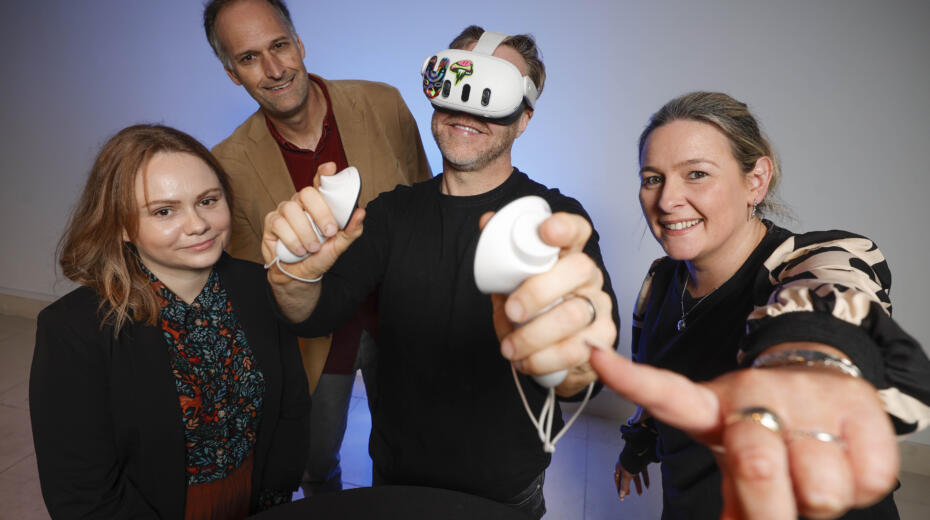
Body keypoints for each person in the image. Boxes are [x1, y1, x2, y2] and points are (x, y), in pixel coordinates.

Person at [261, 26, 619, 519]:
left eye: (492, 94)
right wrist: (292, 280)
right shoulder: (389, 214)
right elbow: (314, 315)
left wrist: (576, 359)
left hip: (503, 491)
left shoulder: (555, 221)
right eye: (458, 82)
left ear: (524, 118)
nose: (469, 107)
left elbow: (587, 369)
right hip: (395, 475)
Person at [588, 92, 930, 519]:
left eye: (696, 174)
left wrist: (811, 365)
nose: (667, 199)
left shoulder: (815, 259)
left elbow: (832, 300)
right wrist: (636, 449)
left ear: (756, 180)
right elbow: (660, 380)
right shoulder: (660, 280)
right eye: (653, 178)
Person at [202, 0, 432, 495]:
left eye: (280, 46)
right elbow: (255, 281)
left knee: (410, 447)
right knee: (313, 459)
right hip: (315, 341)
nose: (273, 69)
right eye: (249, 58)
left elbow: (423, 202)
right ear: (231, 73)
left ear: (299, 44)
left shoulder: (384, 104)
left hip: (401, 319)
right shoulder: (227, 165)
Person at [29, 125, 311, 519]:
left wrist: (274, 497)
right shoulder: (72, 331)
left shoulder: (260, 285)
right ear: (123, 226)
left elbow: (291, 409)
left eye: (208, 201)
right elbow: (81, 490)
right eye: (164, 211)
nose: (198, 225)